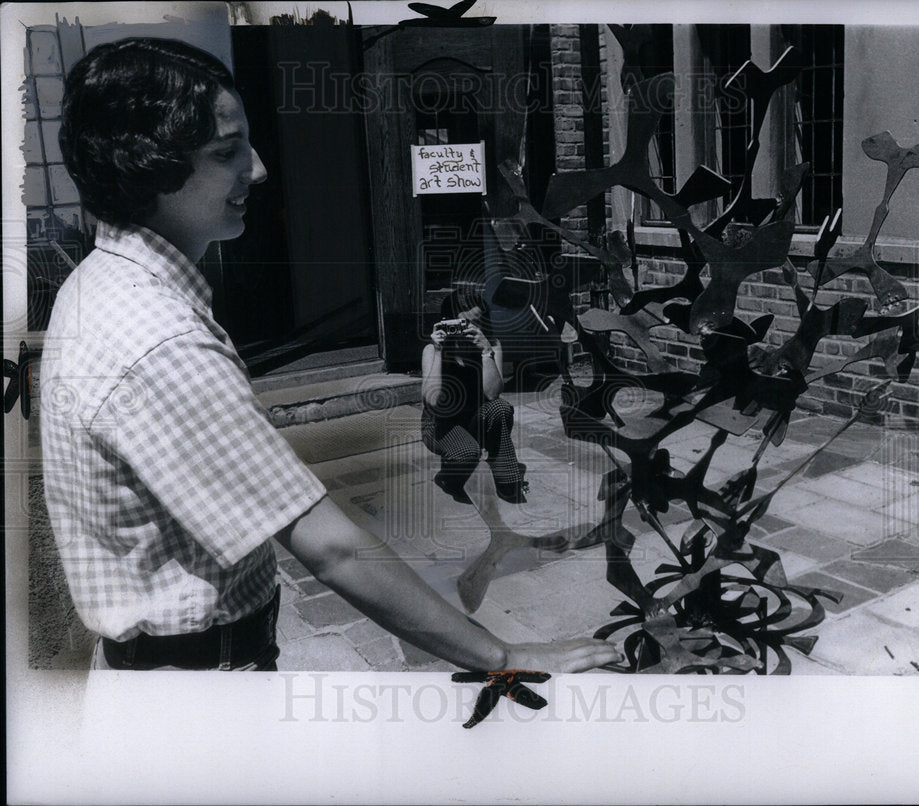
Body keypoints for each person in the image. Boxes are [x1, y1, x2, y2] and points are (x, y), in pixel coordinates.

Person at [41, 37, 620, 673]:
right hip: (202, 684)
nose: (257, 170)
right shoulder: (160, 341)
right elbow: (333, 549)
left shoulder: (99, 285)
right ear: (149, 165)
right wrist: (503, 654)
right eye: (227, 152)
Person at [421, 290, 527, 505]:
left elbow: (493, 393)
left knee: (501, 408)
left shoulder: (491, 345)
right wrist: (440, 352)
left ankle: (506, 479)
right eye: (463, 323)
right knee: (467, 453)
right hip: (440, 423)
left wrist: (486, 352)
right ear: (447, 322)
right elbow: (431, 401)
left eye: (475, 323)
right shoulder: (432, 351)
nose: (468, 329)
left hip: (475, 417)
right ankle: (448, 479)